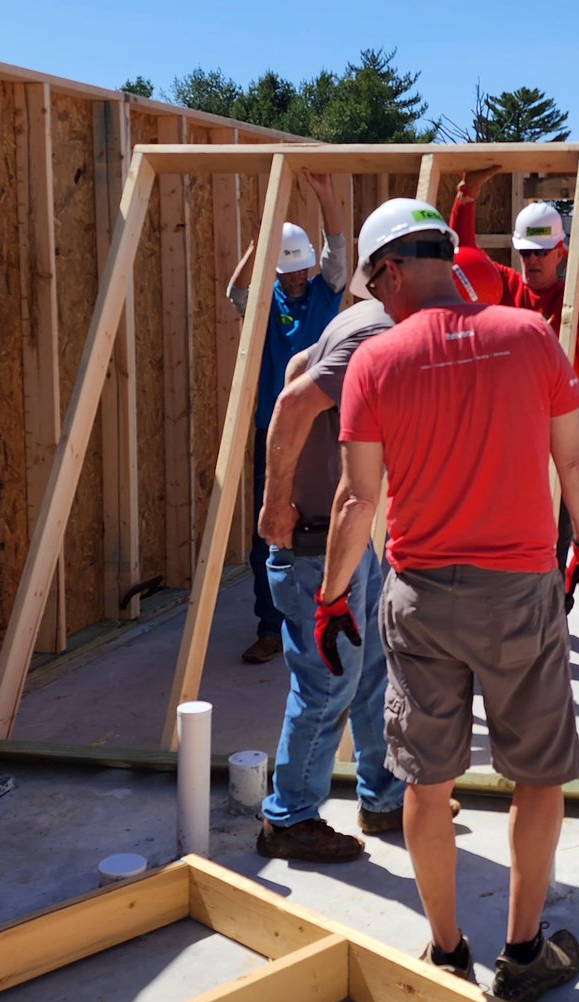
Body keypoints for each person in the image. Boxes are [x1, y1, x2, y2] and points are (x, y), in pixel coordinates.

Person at [316, 197, 579, 1002]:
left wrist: (332, 597)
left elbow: (355, 501)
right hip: (520, 593)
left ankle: (447, 953)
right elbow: (576, 463)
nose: (379, 303)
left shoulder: (377, 362)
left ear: (390, 271)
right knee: (537, 776)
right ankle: (522, 953)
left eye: (377, 288)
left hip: (420, 600)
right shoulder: (529, 338)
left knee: (427, 782)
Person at [252, 300, 403, 862]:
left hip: (343, 539)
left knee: (367, 671)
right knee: (327, 682)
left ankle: (383, 798)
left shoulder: (361, 320)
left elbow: (298, 368)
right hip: (316, 546)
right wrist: (274, 505)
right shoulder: (377, 335)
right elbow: (292, 401)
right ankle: (287, 818)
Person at [449, 169, 579, 567]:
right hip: (504, 434)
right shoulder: (503, 287)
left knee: (552, 541)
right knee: (500, 539)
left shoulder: (572, 299)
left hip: (555, 435)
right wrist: (465, 199)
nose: (533, 260)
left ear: (561, 252)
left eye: (542, 252)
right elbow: (463, 258)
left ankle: (553, 615)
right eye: (527, 252)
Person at [227, 172, 345, 665]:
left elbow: (338, 246)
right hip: (272, 429)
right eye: (287, 272)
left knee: (331, 520)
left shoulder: (326, 289)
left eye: (301, 271)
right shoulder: (265, 299)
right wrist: (257, 248)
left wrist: (323, 193)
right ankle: (270, 627)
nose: (296, 279)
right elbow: (236, 292)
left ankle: (329, 611)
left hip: (323, 429)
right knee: (270, 526)